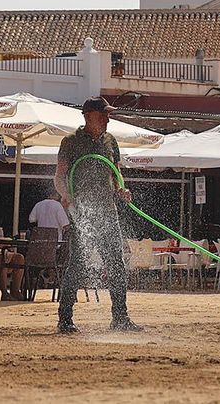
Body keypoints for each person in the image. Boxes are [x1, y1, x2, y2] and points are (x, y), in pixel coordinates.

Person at [54, 96, 139, 334]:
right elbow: (60, 176)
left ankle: (120, 318)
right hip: (82, 212)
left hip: (108, 211)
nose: (107, 119)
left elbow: (116, 175)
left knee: (116, 264)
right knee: (78, 264)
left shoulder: (110, 141)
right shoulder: (70, 142)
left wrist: (122, 190)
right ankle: (65, 319)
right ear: (88, 116)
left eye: (108, 114)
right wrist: (65, 194)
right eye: (103, 114)